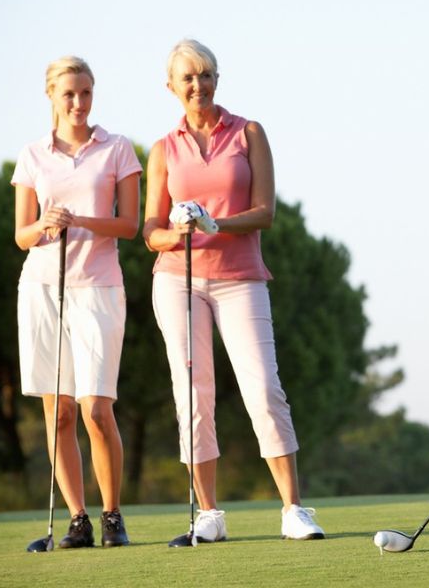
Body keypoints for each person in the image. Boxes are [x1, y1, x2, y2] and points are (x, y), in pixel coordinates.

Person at [143, 39, 324, 543]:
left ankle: (293, 509)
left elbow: (265, 211)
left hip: (240, 278)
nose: (196, 85)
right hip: (176, 279)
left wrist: (214, 221)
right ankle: (209, 514)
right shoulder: (163, 149)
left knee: (264, 388)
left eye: (205, 75)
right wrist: (177, 228)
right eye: (187, 78)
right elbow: (149, 231)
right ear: (171, 88)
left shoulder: (248, 133)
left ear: (217, 79)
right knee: (193, 395)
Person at [13, 56, 141, 548]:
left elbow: (128, 225)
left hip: (99, 287)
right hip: (43, 288)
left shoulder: (118, 149)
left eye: (86, 93)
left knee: (96, 409)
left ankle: (112, 515)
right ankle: (77, 519)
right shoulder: (32, 155)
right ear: (51, 96)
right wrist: (45, 225)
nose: (79, 103)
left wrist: (84, 221)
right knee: (59, 411)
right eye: (69, 94)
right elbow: (21, 235)